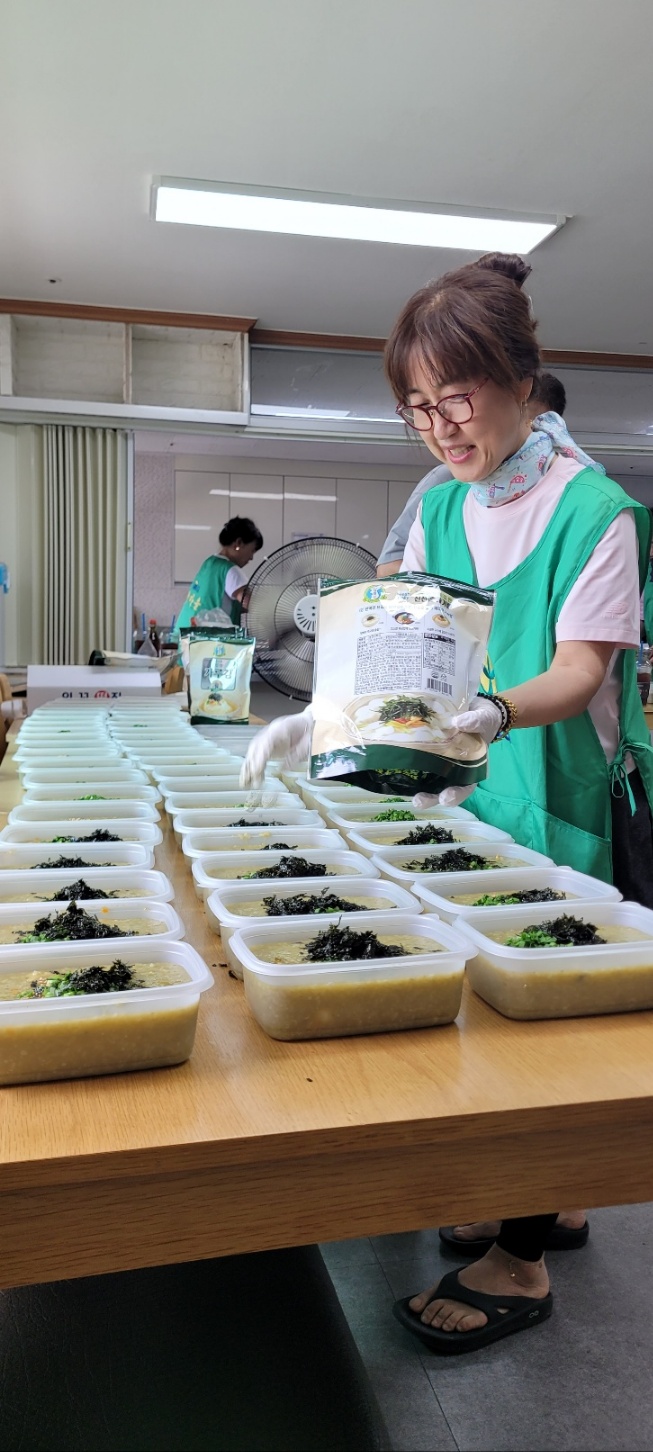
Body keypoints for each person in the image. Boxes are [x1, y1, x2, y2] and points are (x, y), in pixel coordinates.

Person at [242, 252, 653, 1355]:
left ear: (520, 379)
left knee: (549, 1012)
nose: (437, 428)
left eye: (455, 398)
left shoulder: (596, 511)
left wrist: (490, 713)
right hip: (469, 786)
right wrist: (321, 719)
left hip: (558, 786)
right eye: (416, 407)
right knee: (484, 978)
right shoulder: (439, 504)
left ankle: (521, 1256)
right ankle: (549, 1199)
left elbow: (580, 672)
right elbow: (394, 646)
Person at [376, 373, 567, 577]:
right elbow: (389, 568)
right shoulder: (441, 492)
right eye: (423, 406)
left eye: (535, 425)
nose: (441, 430)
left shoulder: (572, 495)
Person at [175, 517, 263, 631]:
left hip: (183, 635)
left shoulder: (210, 563)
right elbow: (253, 604)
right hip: (204, 638)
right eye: (252, 551)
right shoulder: (230, 570)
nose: (251, 558)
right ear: (239, 543)